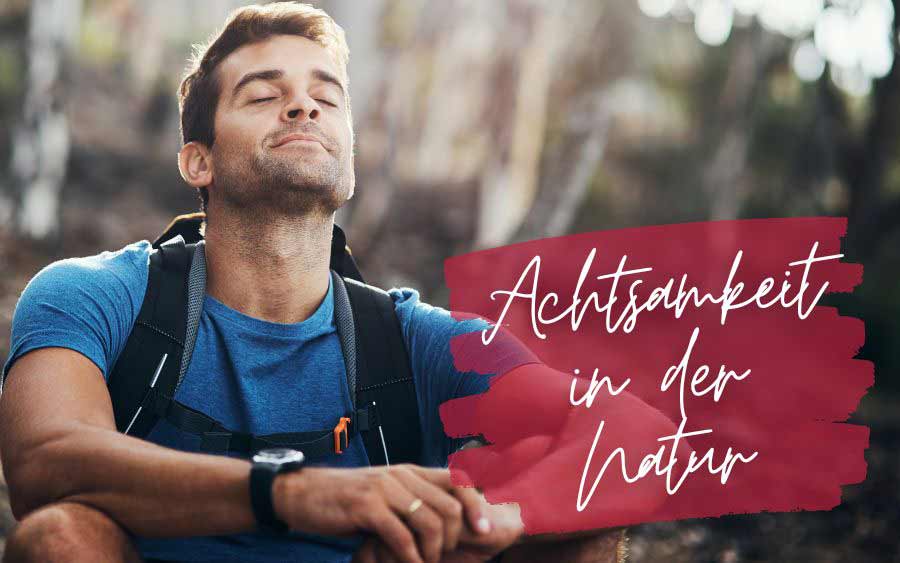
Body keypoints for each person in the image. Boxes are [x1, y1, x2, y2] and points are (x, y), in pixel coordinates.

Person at [0, 3, 625, 562]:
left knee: (582, 524)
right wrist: (293, 495)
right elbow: (44, 463)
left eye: (326, 98)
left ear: (348, 164)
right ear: (199, 160)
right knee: (61, 537)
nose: (304, 107)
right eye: (264, 95)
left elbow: (636, 438)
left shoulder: (423, 343)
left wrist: (491, 520)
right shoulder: (94, 296)